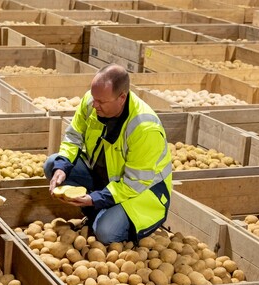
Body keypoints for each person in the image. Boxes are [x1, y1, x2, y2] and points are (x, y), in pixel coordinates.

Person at [44, 64, 172, 244]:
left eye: (101, 102)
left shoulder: (144, 129)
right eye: (94, 98)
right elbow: (73, 137)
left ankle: (116, 221)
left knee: (106, 233)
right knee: (52, 164)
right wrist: (62, 166)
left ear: (122, 97)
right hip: (107, 181)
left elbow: (134, 183)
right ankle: (99, 213)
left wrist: (94, 199)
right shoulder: (92, 101)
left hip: (142, 193)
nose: (94, 104)